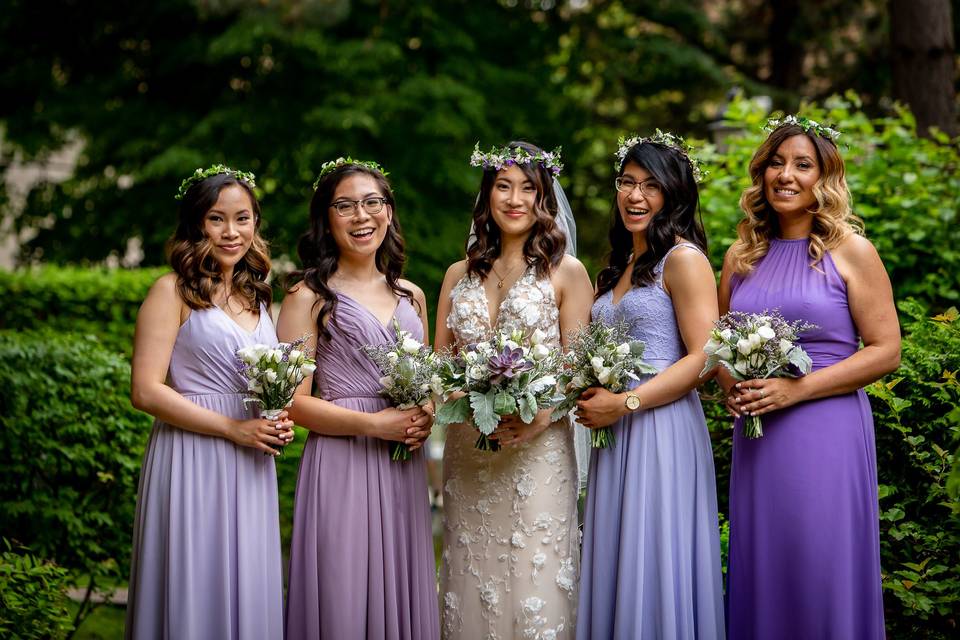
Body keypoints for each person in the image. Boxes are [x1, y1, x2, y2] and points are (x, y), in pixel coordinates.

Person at [719, 116, 900, 639]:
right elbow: (718, 344)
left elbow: (887, 350)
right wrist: (734, 388)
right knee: (764, 558)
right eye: (776, 163)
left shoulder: (852, 252)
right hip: (759, 436)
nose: (785, 175)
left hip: (828, 428)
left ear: (825, 178)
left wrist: (796, 389)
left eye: (802, 164)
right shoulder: (740, 257)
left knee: (822, 561)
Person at [435, 141, 594, 640]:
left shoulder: (566, 272)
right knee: (470, 572)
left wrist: (542, 414)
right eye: (503, 186)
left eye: (528, 188)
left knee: (535, 577)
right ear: (488, 196)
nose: (515, 198)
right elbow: (439, 360)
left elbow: (578, 366)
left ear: (545, 198)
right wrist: (457, 397)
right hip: (470, 447)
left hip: (538, 448)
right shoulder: (457, 274)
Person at [126, 165, 292, 639]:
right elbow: (145, 390)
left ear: (255, 223)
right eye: (217, 219)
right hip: (191, 457)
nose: (231, 231)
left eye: (243, 218)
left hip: (251, 462)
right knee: (193, 579)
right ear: (196, 223)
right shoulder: (170, 291)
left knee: (248, 580)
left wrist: (273, 418)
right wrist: (231, 429)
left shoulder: (258, 296)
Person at [278, 157, 439, 640]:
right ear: (327, 218)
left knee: (401, 590)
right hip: (340, 461)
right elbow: (291, 403)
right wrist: (375, 425)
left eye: (372, 203)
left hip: (401, 466)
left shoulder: (412, 296)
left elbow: (428, 381)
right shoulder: (306, 296)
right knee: (342, 593)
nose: (360, 216)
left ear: (388, 212)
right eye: (345, 206)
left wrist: (426, 414)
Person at [574, 133, 725, 639]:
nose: (635, 196)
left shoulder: (682, 260)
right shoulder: (618, 267)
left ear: (673, 194)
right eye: (627, 183)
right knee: (619, 554)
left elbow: (705, 357)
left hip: (660, 425)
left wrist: (627, 401)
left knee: (654, 552)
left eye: (650, 185)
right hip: (612, 433)